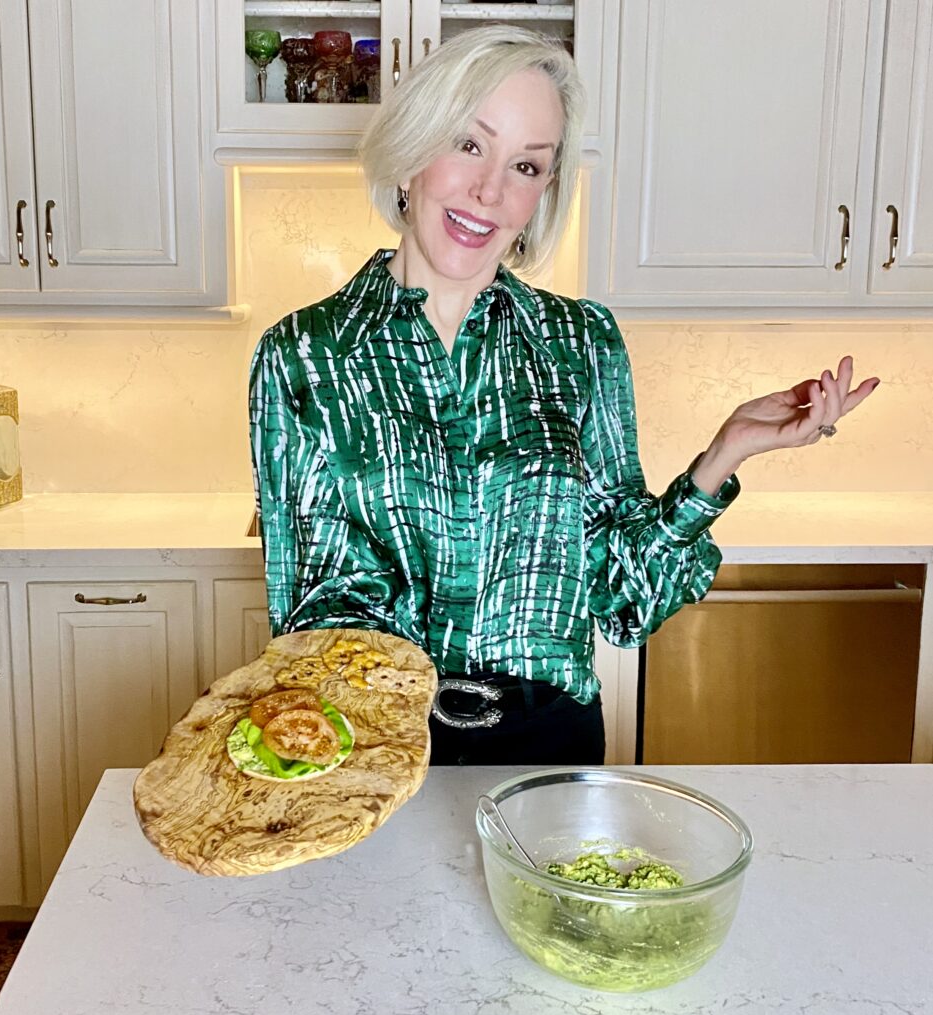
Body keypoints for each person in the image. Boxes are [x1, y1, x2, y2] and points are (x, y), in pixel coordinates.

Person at [248, 26, 879, 767]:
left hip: (549, 741)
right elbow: (311, 610)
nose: (491, 190)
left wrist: (721, 457)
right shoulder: (303, 354)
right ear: (412, 152)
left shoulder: (579, 342)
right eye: (468, 144)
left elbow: (619, 598)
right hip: (376, 742)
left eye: (526, 165)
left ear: (545, 189)